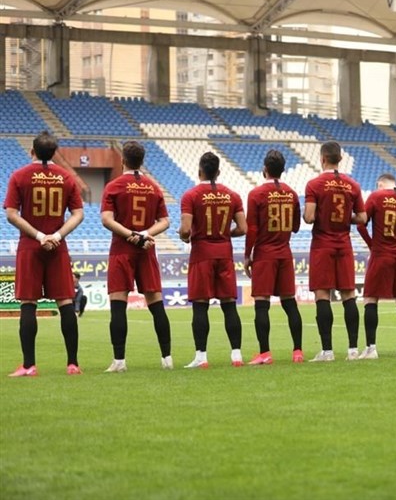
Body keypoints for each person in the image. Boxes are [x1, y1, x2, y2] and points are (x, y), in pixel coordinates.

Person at [4, 131, 84, 377]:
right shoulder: (67, 177)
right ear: (54, 153)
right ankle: (72, 364)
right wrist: (56, 236)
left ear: (32, 151)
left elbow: (11, 214)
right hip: (58, 247)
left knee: (28, 303)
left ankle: (29, 365)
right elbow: (78, 214)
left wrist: (39, 236)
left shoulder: (19, 176)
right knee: (65, 302)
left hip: (30, 246)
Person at [101, 141, 172, 372]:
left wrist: (132, 235)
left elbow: (107, 220)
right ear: (142, 161)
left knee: (118, 305)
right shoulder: (154, 187)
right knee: (156, 304)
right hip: (146, 249)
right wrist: (145, 234)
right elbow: (165, 221)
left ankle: (119, 361)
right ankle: (167, 358)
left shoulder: (114, 186)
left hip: (122, 249)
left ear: (122, 160)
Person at [179, 152, 247, 368]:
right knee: (229, 305)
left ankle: (201, 357)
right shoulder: (233, 196)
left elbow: (185, 230)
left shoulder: (190, 196)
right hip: (224, 253)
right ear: (218, 172)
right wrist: (225, 234)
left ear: (200, 171)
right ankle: (236, 355)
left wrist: (185, 236)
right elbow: (243, 228)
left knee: (201, 306)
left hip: (202, 254)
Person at [304, 141, 367, 362]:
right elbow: (362, 217)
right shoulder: (352, 184)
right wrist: (345, 217)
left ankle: (327, 351)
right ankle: (353, 350)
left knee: (323, 295)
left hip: (323, 244)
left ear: (322, 159)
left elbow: (309, 217)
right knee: (349, 294)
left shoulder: (314, 184)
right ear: (340, 158)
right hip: (344, 244)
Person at [244, 149, 304, 365]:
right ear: (283, 170)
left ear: (265, 169)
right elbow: (296, 227)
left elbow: (252, 228)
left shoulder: (256, 194)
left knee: (262, 304)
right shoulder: (292, 194)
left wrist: (247, 255)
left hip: (264, 253)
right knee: (290, 303)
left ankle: (265, 353)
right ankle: (298, 351)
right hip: (284, 253)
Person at [357, 173, 396, 359]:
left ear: (380, 184)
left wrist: (371, 244)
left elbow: (361, 223)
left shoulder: (376, 197)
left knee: (370, 299)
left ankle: (371, 348)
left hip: (381, 253)